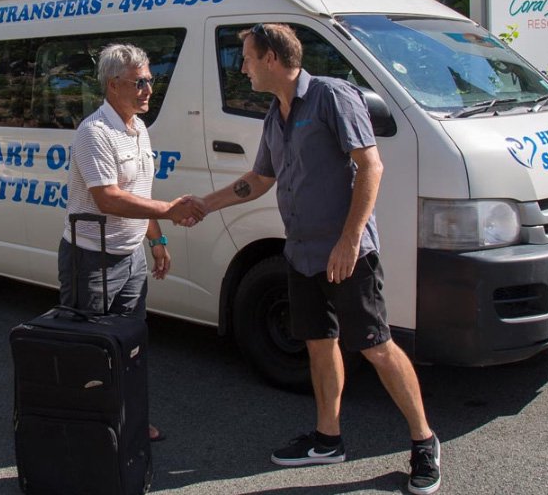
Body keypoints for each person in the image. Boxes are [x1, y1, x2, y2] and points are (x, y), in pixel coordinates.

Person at [197, 24, 441, 494]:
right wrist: (205, 204)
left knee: (376, 344)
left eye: (246, 58)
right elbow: (260, 179)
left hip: (347, 252)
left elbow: (371, 165)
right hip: (302, 251)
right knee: (318, 342)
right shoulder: (275, 114)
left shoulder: (332, 96)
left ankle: (424, 440)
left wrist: (349, 241)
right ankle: (328, 438)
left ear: (270, 58)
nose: (241, 67)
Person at [59, 43, 205, 442]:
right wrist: (170, 210)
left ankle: (127, 421)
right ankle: (84, 428)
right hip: (91, 259)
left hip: (131, 257)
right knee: (89, 346)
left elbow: (140, 189)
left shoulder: (138, 128)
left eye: (150, 81)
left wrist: (157, 240)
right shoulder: (94, 132)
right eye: (139, 82)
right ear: (113, 85)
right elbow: (108, 198)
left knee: (129, 344)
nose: (148, 90)